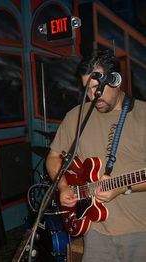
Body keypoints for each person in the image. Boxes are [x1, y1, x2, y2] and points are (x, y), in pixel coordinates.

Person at [45, 50, 146, 261]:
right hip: (95, 231)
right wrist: (63, 187)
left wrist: (123, 188)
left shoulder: (143, 115)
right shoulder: (76, 116)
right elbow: (53, 157)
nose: (92, 96)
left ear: (116, 81)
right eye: (87, 90)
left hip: (139, 230)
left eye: (96, 88)